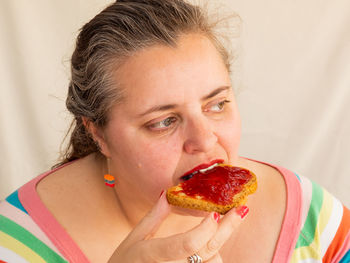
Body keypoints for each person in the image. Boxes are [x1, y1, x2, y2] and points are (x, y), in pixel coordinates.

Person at [0, 0, 349, 262]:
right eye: (163, 121)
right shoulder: (15, 242)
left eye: (217, 104)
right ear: (99, 134)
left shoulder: (316, 220)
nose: (205, 139)